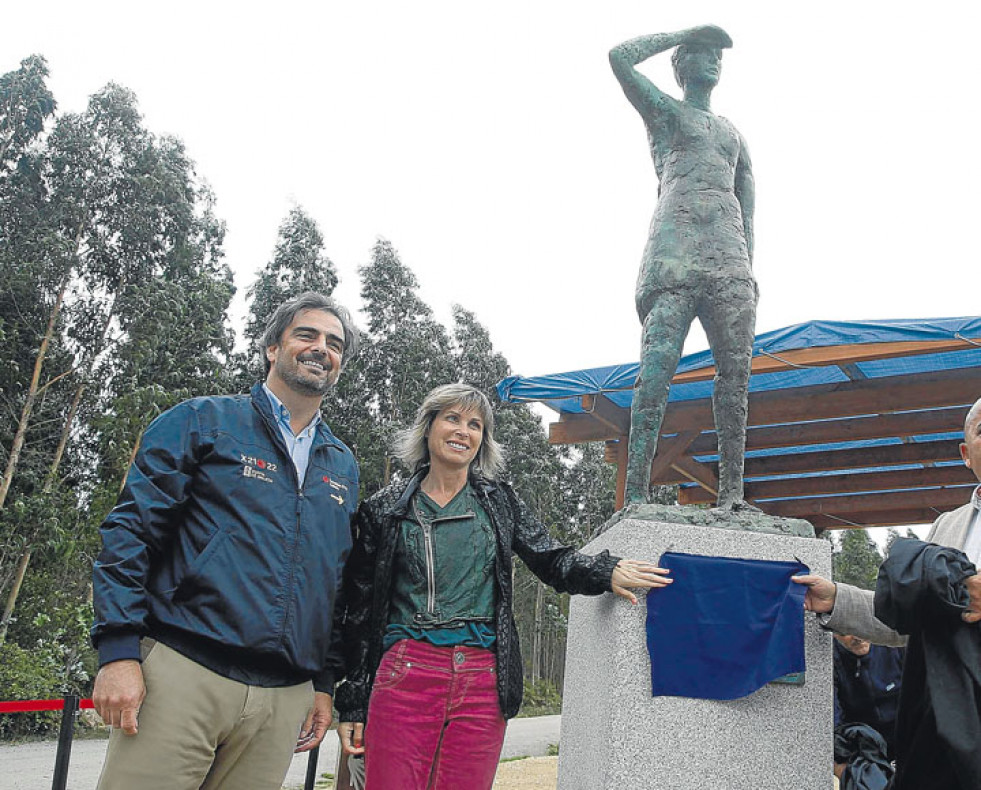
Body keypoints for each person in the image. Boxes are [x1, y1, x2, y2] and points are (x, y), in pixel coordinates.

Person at [334, 383, 671, 789]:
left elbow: (552, 558)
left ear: (483, 440)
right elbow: (359, 607)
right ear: (429, 427)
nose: (463, 431)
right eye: (453, 419)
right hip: (405, 674)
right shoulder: (385, 508)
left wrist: (604, 571)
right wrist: (352, 699)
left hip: (482, 679)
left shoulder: (498, 501)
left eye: (475, 424)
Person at [90, 292, 360, 790]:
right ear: (272, 348)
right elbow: (130, 533)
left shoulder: (342, 464)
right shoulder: (202, 421)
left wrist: (323, 684)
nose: (321, 347)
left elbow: (336, 581)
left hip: (283, 700)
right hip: (183, 672)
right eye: (307, 334)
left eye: (334, 342)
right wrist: (119, 652)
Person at [794, 397, 981, 788]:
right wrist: (836, 600)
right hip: (953, 723)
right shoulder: (949, 527)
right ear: (966, 453)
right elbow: (907, 623)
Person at [609, 25, 757, 509]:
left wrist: (747, 268)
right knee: (655, 373)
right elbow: (620, 57)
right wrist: (679, 34)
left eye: (716, 53)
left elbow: (747, 202)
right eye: (699, 52)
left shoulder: (733, 132)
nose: (712, 59)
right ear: (679, 65)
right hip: (673, 256)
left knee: (735, 376)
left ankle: (733, 494)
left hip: (729, 261)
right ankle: (635, 493)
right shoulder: (667, 114)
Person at [833, 634, 903, 761]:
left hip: (904, 734)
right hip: (863, 747)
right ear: (834, 633)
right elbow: (834, 723)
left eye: (861, 626)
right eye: (848, 630)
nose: (858, 636)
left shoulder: (895, 644)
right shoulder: (830, 660)